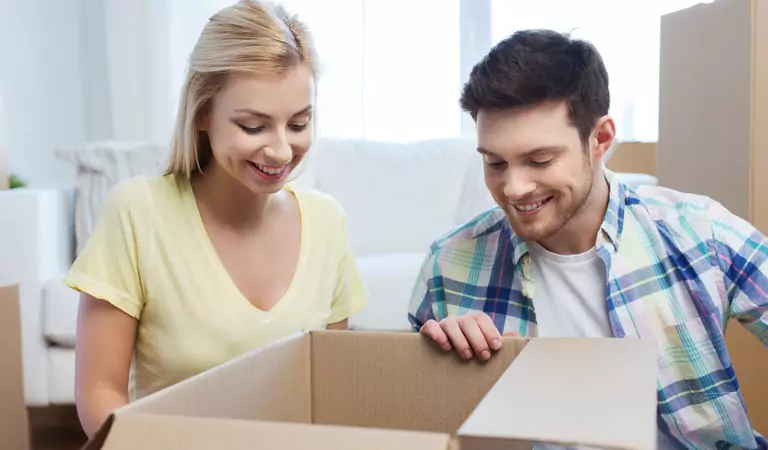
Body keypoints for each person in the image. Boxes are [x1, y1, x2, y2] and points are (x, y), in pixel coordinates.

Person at [409, 29, 767, 449]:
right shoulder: (449, 264)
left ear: (600, 140)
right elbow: (412, 425)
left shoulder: (697, 231)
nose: (514, 187)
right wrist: (444, 367)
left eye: (539, 160)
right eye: (495, 162)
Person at [65, 0, 367, 438]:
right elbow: (99, 392)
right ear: (203, 112)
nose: (281, 151)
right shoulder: (137, 212)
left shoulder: (326, 221)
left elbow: (331, 394)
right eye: (254, 126)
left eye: (299, 123)